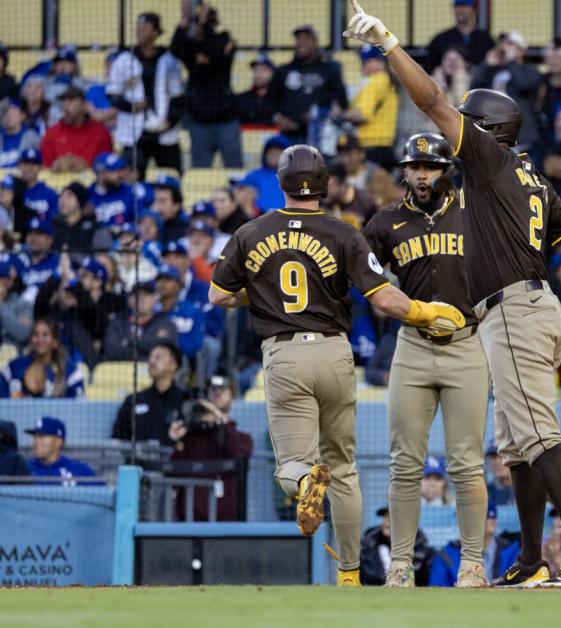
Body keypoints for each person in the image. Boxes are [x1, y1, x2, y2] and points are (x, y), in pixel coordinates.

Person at [345, 2, 561, 588]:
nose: (453, 132)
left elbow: (431, 102)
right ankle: (529, 560)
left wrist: (389, 44)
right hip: (521, 310)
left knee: (538, 436)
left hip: (516, 309)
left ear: (486, 133)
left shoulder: (490, 161)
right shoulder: (530, 178)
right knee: (517, 446)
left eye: (466, 123)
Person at [209, 143, 468, 586]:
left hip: (285, 353)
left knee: (293, 465)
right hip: (333, 351)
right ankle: (349, 576)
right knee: (344, 469)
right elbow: (384, 298)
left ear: (281, 183)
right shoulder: (345, 232)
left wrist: (264, 289)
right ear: (325, 185)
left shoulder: (250, 233)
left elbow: (218, 295)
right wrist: (428, 312)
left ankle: (307, 481)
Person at [362, 133, 489, 587]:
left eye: (430, 167)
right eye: (414, 166)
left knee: (467, 463)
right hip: (412, 347)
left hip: (468, 343)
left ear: (446, 170)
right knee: (404, 462)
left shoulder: (476, 211)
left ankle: (473, 563)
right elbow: (363, 278)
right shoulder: (385, 222)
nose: (420, 174)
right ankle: (400, 564)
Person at [107, 12, 184, 179]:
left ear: (156, 32)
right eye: (138, 27)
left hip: (165, 132)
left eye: (146, 28)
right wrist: (132, 106)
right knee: (131, 179)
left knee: (172, 177)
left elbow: (178, 98)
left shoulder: (169, 60)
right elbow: (113, 94)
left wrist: (169, 122)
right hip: (133, 132)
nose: (140, 31)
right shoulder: (124, 59)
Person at [167, 376, 254, 521]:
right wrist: (176, 442)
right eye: (213, 390)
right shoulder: (190, 437)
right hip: (189, 524)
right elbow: (172, 474)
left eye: (223, 390)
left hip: (226, 526)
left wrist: (220, 421)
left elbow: (239, 452)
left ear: (232, 400)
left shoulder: (242, 437)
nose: (217, 393)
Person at [170, 1, 241, 168]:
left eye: (201, 22)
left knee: (234, 169)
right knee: (199, 171)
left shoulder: (224, 39)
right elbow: (175, 50)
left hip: (226, 121)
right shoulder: (190, 47)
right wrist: (183, 21)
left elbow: (215, 54)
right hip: (199, 122)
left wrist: (202, 23)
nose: (197, 27)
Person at [269, 25, 347, 144]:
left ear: (316, 42)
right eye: (299, 39)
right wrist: (277, 118)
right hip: (288, 135)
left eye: (306, 39)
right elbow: (270, 100)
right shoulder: (283, 71)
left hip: (319, 135)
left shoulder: (330, 70)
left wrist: (320, 115)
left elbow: (340, 100)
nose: (301, 43)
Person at [471, 32, 542, 149]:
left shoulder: (530, 70)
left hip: (521, 135)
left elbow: (525, 85)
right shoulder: (493, 71)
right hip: (494, 134)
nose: (504, 47)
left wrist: (511, 61)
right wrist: (486, 65)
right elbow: (475, 89)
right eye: (503, 43)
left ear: (521, 50)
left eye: (510, 44)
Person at [112, 342, 189, 445]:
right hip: (137, 460)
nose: (152, 361)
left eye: (158, 357)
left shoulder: (186, 399)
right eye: (150, 357)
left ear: (173, 365)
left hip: (174, 459)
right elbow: (118, 437)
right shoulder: (133, 400)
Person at [430, 501, 520, 587]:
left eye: (492, 518)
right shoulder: (447, 554)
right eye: (486, 517)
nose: (491, 521)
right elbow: (437, 587)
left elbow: (518, 584)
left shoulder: (511, 552)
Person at [338, 45, 398, 168]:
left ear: (380, 62)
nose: (363, 64)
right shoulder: (385, 79)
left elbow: (363, 115)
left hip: (371, 146)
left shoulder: (377, 80)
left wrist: (339, 114)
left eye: (366, 60)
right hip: (382, 145)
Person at [0, 318, 84, 399]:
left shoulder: (71, 372)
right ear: (30, 340)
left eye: (45, 335)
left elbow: (76, 407)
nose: (40, 339)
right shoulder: (13, 367)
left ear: (55, 342)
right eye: (35, 334)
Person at [38, 87, 113, 172]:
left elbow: (108, 166)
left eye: (71, 101)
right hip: (57, 182)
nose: (65, 106)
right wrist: (57, 165)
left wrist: (85, 165)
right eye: (64, 102)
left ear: (84, 105)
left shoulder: (101, 133)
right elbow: (44, 166)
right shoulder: (51, 133)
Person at [359, 506, 433, 586]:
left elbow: (422, 577)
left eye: (392, 518)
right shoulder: (368, 545)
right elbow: (366, 575)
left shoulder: (421, 547)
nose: (387, 521)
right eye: (385, 517)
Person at [103, 281, 178, 360]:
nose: (141, 299)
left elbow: (167, 352)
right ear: (129, 300)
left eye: (146, 295)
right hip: (122, 370)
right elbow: (112, 352)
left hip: (154, 370)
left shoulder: (165, 323)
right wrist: (147, 348)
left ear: (155, 300)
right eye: (137, 295)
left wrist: (130, 343)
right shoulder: (117, 324)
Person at [425, 0, 495, 72]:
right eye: (457, 6)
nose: (460, 10)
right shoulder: (441, 39)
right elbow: (429, 67)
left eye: (465, 6)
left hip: (479, 81)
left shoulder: (485, 39)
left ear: (474, 10)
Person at [25, 416, 95, 480]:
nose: (36, 441)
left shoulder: (79, 470)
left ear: (58, 442)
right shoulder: (24, 469)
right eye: (35, 437)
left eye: (41, 436)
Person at [17, 148, 59, 221]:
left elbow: (54, 220)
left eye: (34, 164)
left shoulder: (50, 194)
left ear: (41, 167)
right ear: (19, 165)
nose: (29, 168)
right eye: (26, 163)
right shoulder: (12, 191)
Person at [236, 52, 275, 125]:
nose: (258, 74)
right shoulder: (241, 99)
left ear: (272, 73)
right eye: (255, 70)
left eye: (263, 70)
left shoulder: (279, 99)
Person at [0, 100, 40, 168]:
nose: (8, 117)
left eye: (13, 113)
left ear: (22, 116)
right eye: (5, 113)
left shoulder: (32, 137)